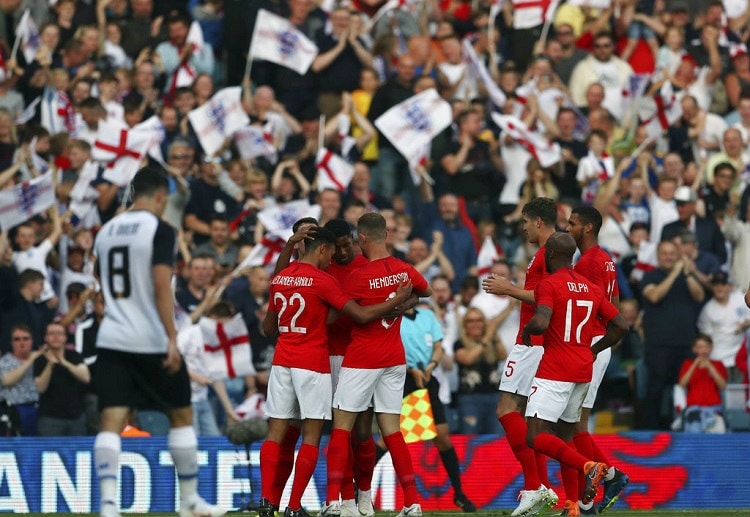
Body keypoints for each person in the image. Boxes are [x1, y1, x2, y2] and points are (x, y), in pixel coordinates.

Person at [92, 167, 225, 517]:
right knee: (181, 414)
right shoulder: (160, 229)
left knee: (112, 420)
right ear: (162, 196)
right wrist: (170, 336)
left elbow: (98, 277)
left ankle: (108, 506)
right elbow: (161, 283)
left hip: (111, 338)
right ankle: (189, 501)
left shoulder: (105, 231)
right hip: (149, 339)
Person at [260, 226, 411, 517]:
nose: (333, 257)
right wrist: (397, 299)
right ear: (321, 249)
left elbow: (269, 326)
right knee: (313, 437)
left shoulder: (280, 278)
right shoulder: (323, 280)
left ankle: (267, 503)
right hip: (313, 362)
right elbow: (362, 315)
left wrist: (290, 244)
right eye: (330, 251)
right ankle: (293, 507)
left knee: (274, 434)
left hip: (281, 362)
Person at [321, 213, 431, 517]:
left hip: (361, 358)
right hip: (395, 358)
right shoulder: (403, 270)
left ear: (363, 239)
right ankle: (412, 502)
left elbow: (345, 316)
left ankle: (334, 502)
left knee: (341, 429)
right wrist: (401, 302)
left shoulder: (358, 277)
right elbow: (427, 292)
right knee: (392, 431)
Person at [522, 232, 628, 516]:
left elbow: (542, 321)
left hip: (555, 368)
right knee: (566, 435)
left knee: (535, 436)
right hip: (583, 367)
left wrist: (528, 329)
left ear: (550, 255)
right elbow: (621, 325)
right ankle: (574, 506)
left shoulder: (549, 284)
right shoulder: (590, 287)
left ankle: (593, 468)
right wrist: (596, 350)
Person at [481, 198, 558, 517]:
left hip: (532, 341)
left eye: (525, 222)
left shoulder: (550, 250)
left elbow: (551, 295)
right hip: (536, 341)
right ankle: (540, 486)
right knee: (529, 420)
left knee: (505, 408)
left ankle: (535, 486)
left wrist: (508, 288)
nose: (523, 227)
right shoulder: (548, 250)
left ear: (538, 222)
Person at [565, 206, 629, 513]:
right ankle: (585, 501)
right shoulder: (606, 260)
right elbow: (614, 304)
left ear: (588, 228)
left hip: (588, 343)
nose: (567, 228)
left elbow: (580, 307)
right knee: (575, 423)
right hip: (598, 342)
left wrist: (591, 346)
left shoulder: (588, 263)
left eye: (572, 223)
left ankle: (609, 478)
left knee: (575, 426)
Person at [398, 304, 476, 512]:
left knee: (442, 437)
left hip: (427, 377)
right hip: (404, 380)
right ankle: (361, 489)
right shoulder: (394, 317)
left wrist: (431, 366)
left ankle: (459, 493)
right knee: (392, 438)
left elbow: (438, 346)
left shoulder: (427, 315)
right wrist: (411, 369)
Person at [641, 240, 705, 430]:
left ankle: (685, 427)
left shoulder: (685, 276)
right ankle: (649, 431)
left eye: (672, 253)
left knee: (684, 389)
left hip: (685, 343)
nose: (668, 257)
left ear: (678, 255)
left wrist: (686, 273)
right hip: (658, 344)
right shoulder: (649, 276)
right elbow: (654, 296)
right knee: (655, 389)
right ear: (658, 256)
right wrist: (676, 272)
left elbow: (699, 295)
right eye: (664, 253)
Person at [33, 321, 90, 436]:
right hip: (49, 418)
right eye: (51, 333)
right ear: (46, 338)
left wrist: (64, 362)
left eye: (59, 333)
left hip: (76, 416)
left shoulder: (74, 356)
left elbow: (86, 377)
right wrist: (50, 364)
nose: (55, 337)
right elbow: (40, 388)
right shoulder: (40, 360)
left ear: (65, 337)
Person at [678, 334, 728, 433]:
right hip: (694, 409)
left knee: (715, 434)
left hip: (713, 409)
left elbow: (723, 386)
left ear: (711, 348)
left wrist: (710, 367)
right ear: (694, 349)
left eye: (707, 346)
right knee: (694, 432)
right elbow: (682, 384)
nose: (704, 350)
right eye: (700, 347)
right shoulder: (687, 363)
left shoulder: (718, 364)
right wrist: (694, 366)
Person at [0, 325, 44, 435]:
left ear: (32, 341)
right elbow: (7, 380)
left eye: (25, 339)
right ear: (11, 343)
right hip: (14, 410)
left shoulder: (40, 360)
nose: (22, 343)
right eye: (17, 339)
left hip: (37, 408)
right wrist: (29, 360)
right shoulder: (5, 361)